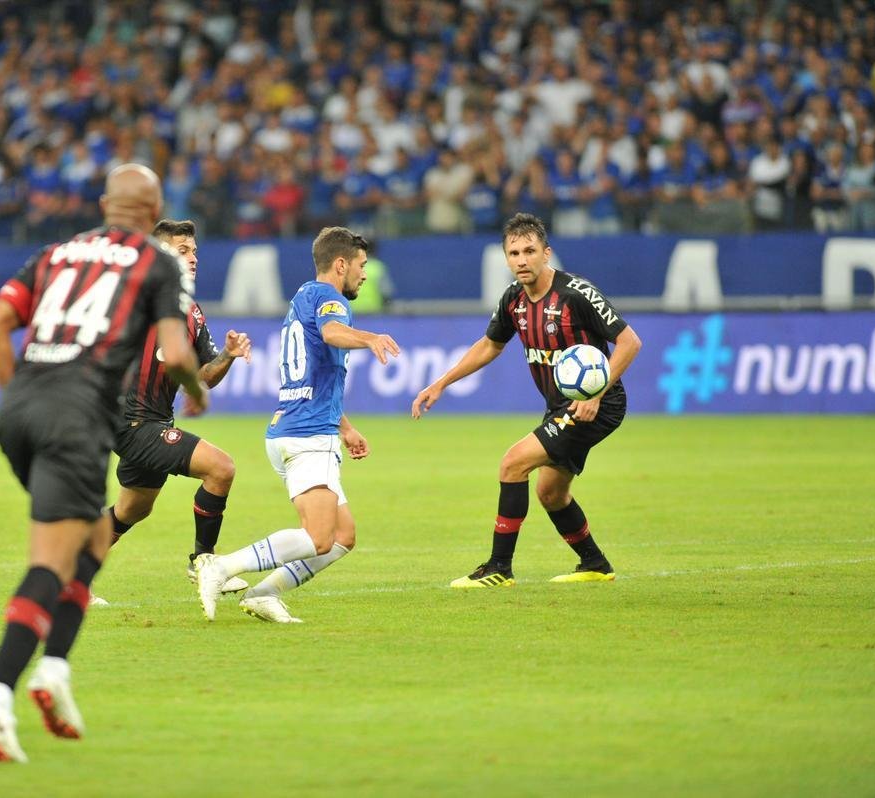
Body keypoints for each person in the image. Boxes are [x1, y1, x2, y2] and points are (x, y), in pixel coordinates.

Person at [0, 164, 208, 763]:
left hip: (18, 412)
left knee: (92, 538)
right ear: (153, 216)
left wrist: (17, 399)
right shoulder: (158, 264)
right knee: (55, 561)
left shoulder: (57, 253)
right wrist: (195, 392)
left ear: (104, 204)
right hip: (76, 419)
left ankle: (54, 670)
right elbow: (177, 352)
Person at [411, 212, 641, 587]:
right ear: (506, 258)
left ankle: (499, 567)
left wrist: (596, 393)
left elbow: (630, 342)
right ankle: (595, 564)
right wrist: (442, 382)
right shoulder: (513, 300)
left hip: (598, 404)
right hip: (560, 407)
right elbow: (490, 345)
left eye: (529, 251)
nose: (521, 259)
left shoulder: (576, 294)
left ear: (546, 253)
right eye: (514, 252)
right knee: (550, 493)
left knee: (512, 464)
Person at [194, 227, 401, 623]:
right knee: (319, 538)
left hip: (294, 427)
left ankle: (263, 594)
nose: (364, 274)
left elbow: (312, 375)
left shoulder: (303, 295)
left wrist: (345, 427)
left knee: (343, 538)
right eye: (361, 266)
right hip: (308, 435)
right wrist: (369, 337)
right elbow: (333, 333)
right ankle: (221, 566)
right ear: (340, 264)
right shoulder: (330, 299)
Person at [94, 219, 253, 601]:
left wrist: (228, 356)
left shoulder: (191, 312)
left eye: (194, 250)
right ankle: (204, 563)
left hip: (154, 419)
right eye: (182, 250)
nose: (193, 257)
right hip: (132, 421)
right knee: (221, 467)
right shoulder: (137, 297)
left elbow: (205, 376)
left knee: (132, 509)